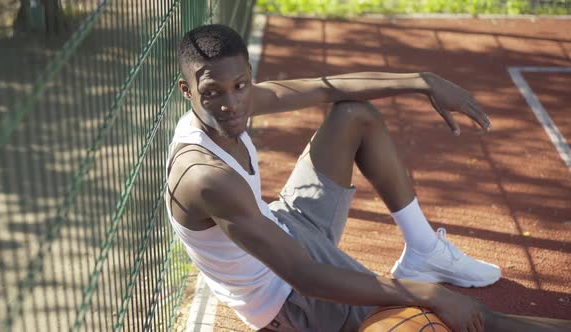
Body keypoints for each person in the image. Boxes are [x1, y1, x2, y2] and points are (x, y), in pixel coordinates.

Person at [165, 24, 570, 332]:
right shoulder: (206, 177)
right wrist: (428, 293)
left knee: (352, 116)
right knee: (461, 317)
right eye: (213, 92)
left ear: (248, 77)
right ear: (187, 90)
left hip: (284, 225)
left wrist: (422, 81)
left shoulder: (236, 102)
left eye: (239, 86)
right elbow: (304, 276)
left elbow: (327, 87)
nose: (231, 103)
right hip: (288, 298)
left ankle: (423, 249)